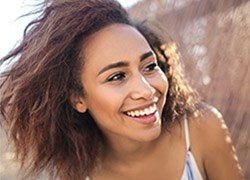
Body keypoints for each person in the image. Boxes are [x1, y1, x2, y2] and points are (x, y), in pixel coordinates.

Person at [0, 0, 243, 179]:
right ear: (78, 98)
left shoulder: (202, 129)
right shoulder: (77, 174)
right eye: (117, 76)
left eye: (149, 66)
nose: (147, 90)